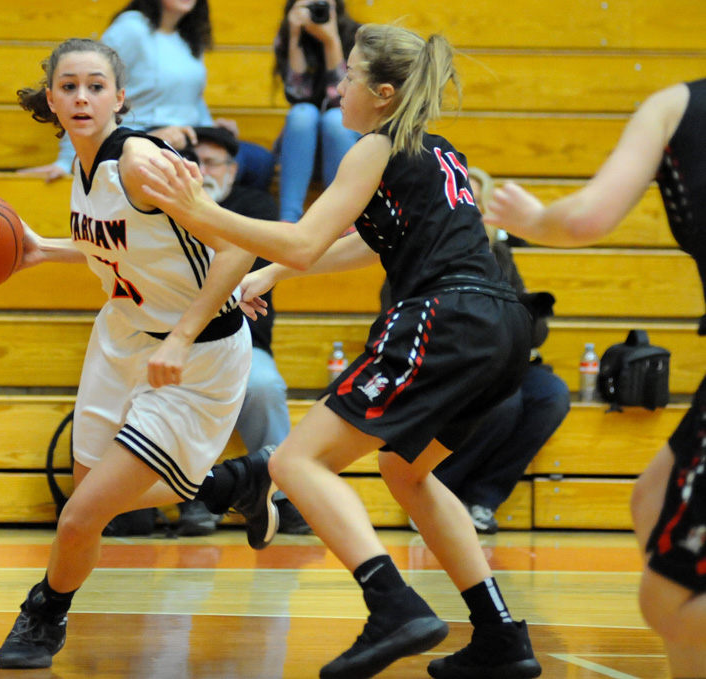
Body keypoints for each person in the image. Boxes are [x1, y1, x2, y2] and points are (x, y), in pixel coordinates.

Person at [141, 22, 542, 679]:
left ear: (382, 93)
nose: (339, 84)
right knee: (406, 473)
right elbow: (370, 241)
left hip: (444, 317)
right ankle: (501, 634)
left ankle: (392, 605)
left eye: (349, 75)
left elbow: (301, 238)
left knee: (298, 461)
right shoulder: (436, 152)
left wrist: (198, 211)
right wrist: (273, 273)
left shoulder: (375, 147)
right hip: (502, 325)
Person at [0, 38, 281, 671]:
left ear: (120, 98)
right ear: (51, 98)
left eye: (95, 85)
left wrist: (183, 332)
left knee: (80, 518)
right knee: (89, 494)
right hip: (123, 336)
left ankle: (44, 615)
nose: (81, 97)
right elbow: (121, 244)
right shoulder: (85, 161)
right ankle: (234, 481)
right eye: (68, 86)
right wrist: (45, 248)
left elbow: (237, 247)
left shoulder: (142, 161)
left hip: (195, 356)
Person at [487, 79, 706, 679]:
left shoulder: (675, 106)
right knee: (651, 499)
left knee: (668, 600)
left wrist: (532, 217)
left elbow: (584, 220)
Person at [386, 167, 571, 534]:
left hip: (504, 359)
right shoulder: (415, 249)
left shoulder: (498, 253)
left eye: (472, 202)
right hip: (448, 362)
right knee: (502, 401)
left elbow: (537, 333)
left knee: (552, 395)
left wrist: (525, 314)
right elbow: (399, 321)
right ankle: (435, 495)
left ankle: (483, 499)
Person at [175, 127, 311, 536]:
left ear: (234, 170)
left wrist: (196, 208)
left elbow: (244, 274)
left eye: (213, 162)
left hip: (244, 340)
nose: (203, 170)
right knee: (168, 389)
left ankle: (284, 499)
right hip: (178, 344)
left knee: (265, 386)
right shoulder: (164, 211)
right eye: (193, 162)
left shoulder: (255, 206)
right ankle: (192, 498)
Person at [20, 0, 276, 191]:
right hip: (140, 133)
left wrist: (213, 128)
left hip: (189, 132)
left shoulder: (187, 37)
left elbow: (192, 98)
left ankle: (235, 245)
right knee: (218, 165)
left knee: (259, 161)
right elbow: (85, 85)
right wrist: (69, 160)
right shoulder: (131, 28)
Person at [272, 0, 361, 223]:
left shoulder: (357, 36)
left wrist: (331, 41)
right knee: (302, 113)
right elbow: (298, 95)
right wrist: (294, 37)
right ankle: (288, 220)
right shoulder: (287, 35)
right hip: (301, 145)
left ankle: (339, 221)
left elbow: (343, 100)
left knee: (334, 119)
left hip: (345, 140)